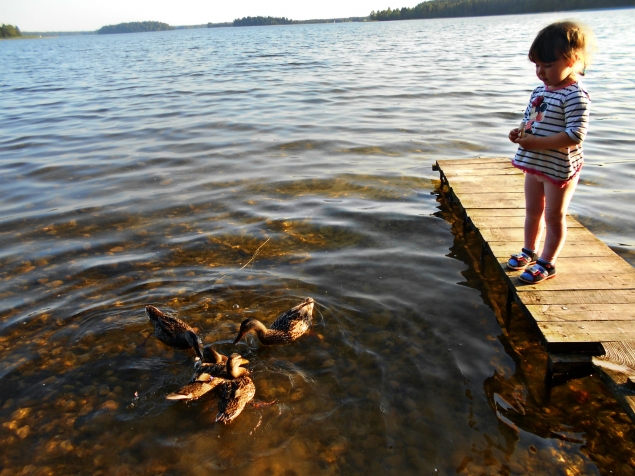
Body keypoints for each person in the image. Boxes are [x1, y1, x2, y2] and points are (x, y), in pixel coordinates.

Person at [507, 20, 594, 284]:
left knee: (553, 216)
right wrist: (520, 132)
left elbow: (575, 135)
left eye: (548, 66)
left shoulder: (575, 96)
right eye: (537, 66)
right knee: (532, 211)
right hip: (535, 163)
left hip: (559, 167)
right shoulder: (539, 91)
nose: (541, 72)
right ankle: (529, 251)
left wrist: (536, 143)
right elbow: (530, 119)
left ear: (573, 60)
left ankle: (548, 262)